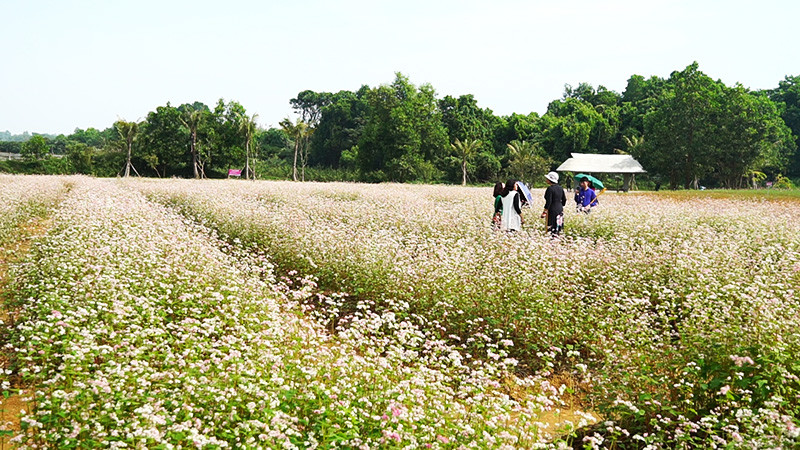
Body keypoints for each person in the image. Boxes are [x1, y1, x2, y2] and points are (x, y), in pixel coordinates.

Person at [540, 171, 567, 236]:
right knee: (558, 224)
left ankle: (552, 238)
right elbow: (564, 199)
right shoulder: (560, 188)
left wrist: (544, 212)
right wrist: (560, 205)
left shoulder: (550, 189)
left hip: (552, 209)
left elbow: (548, 201)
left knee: (551, 226)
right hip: (559, 208)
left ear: (550, 180)